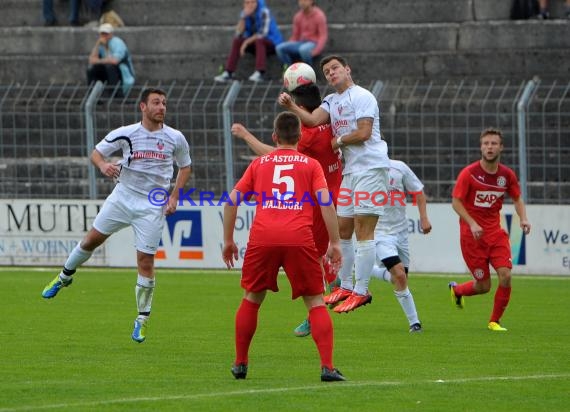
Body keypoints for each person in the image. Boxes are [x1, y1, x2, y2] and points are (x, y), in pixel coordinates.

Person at [41, 88, 192, 343]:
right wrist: (103, 165)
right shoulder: (126, 133)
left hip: (151, 206)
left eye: (164, 103)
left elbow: (185, 166)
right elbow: (96, 153)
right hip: (122, 197)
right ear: (142, 107)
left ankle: (142, 320)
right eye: (156, 103)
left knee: (145, 261)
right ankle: (64, 277)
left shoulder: (175, 137)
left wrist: (175, 195)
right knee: (91, 241)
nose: (161, 107)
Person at [222, 111, 345, 382]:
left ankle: (240, 364)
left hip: (262, 238)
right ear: (300, 136)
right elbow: (325, 203)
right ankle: (327, 367)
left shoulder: (259, 164)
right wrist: (335, 242)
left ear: (274, 136)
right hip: (299, 237)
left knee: (252, 298)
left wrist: (229, 240)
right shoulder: (311, 165)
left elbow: (231, 202)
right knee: (314, 302)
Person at [278, 54, 390, 314]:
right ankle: (347, 286)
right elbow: (314, 120)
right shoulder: (331, 100)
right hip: (350, 170)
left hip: (371, 167)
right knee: (343, 230)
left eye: (335, 68)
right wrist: (291, 106)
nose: (331, 73)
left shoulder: (362, 96)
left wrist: (337, 142)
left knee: (364, 231)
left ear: (347, 69)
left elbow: (363, 133)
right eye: (326, 71)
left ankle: (361, 291)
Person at [231, 83, 342, 337]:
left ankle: (320, 305)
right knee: (317, 256)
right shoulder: (325, 126)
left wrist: (247, 136)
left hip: (313, 202)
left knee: (311, 260)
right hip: (329, 193)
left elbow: (277, 154)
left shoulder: (309, 135)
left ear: (301, 107)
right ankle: (333, 283)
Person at [449, 127, 531, 332]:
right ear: (481, 147)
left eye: (494, 143)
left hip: (495, 234)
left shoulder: (506, 175)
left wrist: (523, 219)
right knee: (483, 286)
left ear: (501, 147)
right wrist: (472, 223)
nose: (489, 147)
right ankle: (457, 290)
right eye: (486, 144)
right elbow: (456, 202)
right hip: (471, 237)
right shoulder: (469, 174)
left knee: (506, 275)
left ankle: (494, 321)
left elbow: (517, 198)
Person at [368, 159, 432, 333]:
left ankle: (364, 269)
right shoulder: (363, 168)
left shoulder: (399, 167)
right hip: (379, 232)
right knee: (399, 275)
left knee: (399, 278)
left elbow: (418, 191)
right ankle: (415, 323)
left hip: (401, 232)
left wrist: (424, 218)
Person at [214, 0, 283, 83]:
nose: (250, 5)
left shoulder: (264, 12)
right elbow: (238, 34)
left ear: (257, 3)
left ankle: (260, 72)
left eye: (252, 2)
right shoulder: (244, 14)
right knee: (237, 41)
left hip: (272, 43)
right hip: (256, 44)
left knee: (259, 40)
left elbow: (262, 34)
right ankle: (229, 72)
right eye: (247, 2)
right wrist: (243, 18)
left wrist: (246, 42)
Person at [87, 23, 135, 97]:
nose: (104, 36)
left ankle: (117, 95)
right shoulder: (101, 45)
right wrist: (97, 44)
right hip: (108, 71)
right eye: (102, 33)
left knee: (110, 67)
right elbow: (91, 59)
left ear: (111, 34)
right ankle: (93, 95)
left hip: (122, 72)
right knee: (91, 69)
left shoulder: (117, 42)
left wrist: (98, 61)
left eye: (106, 33)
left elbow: (115, 61)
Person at [275, 0, 328, 68]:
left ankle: (309, 73)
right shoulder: (298, 16)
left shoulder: (319, 15)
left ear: (311, 1)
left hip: (313, 43)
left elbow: (323, 36)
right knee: (279, 48)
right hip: (300, 42)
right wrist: (290, 46)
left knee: (303, 50)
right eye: (300, 0)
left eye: (305, 0)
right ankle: (290, 70)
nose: (302, 2)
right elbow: (295, 36)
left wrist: (316, 50)